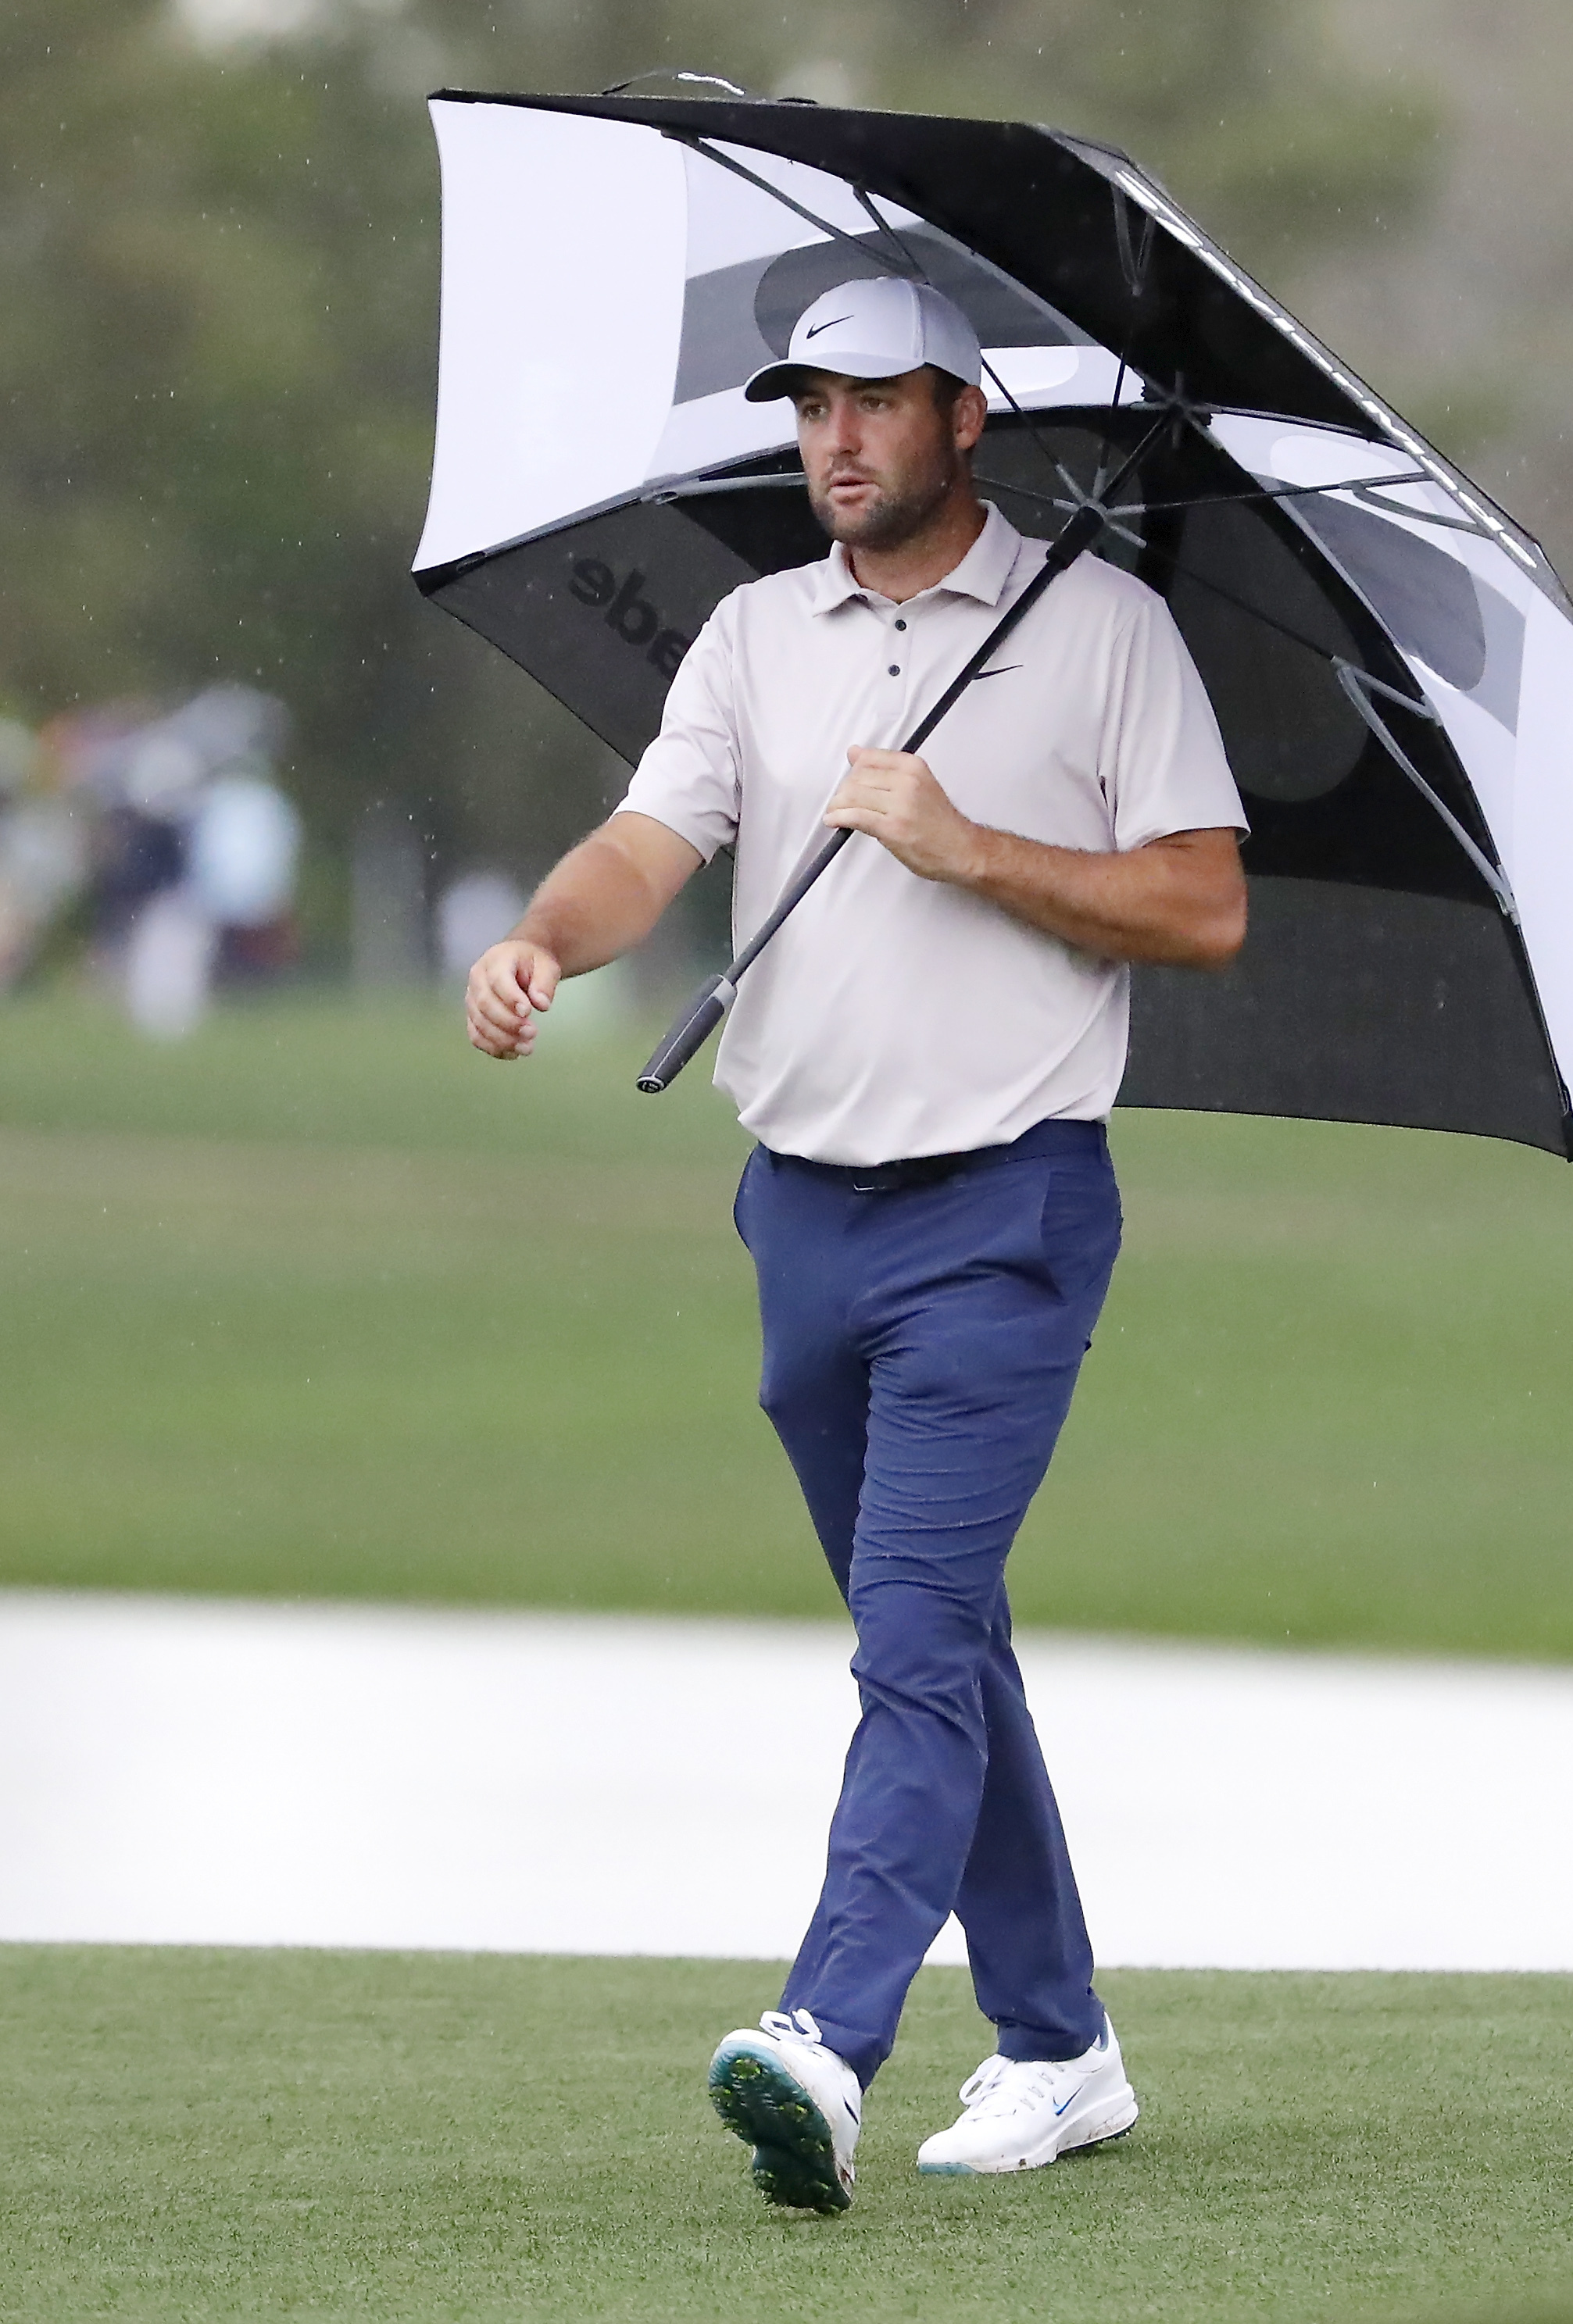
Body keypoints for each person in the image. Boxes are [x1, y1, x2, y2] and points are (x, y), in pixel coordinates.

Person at [463, 277, 1248, 2215]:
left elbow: (1203, 908)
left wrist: (967, 842)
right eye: (812, 402)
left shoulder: (1106, 636)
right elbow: (648, 841)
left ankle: (826, 2036)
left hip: (1003, 1211)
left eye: (873, 402)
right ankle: (1061, 2045)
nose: (833, 437)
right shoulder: (749, 631)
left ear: (963, 417)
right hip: (799, 1211)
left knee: (909, 1634)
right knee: (940, 1644)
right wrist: (551, 939)